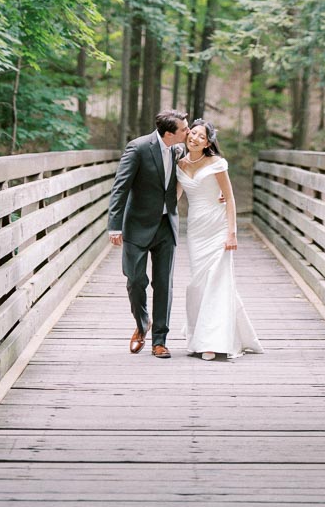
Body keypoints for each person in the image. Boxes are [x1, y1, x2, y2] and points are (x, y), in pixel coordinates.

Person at [176, 120, 262, 361]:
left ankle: (211, 342)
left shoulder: (216, 164)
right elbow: (174, 196)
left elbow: (231, 198)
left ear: (208, 143)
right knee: (198, 283)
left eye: (201, 137)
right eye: (192, 133)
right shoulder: (179, 163)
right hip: (196, 228)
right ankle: (201, 334)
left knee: (218, 280)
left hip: (218, 226)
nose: (194, 138)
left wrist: (231, 233)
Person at [108, 110, 189, 358]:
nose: (188, 132)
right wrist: (114, 224)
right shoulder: (139, 148)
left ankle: (160, 341)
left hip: (166, 225)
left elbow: (197, 174)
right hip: (137, 225)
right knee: (135, 280)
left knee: (164, 284)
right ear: (169, 133)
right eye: (184, 129)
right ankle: (142, 324)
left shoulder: (180, 151)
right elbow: (120, 187)